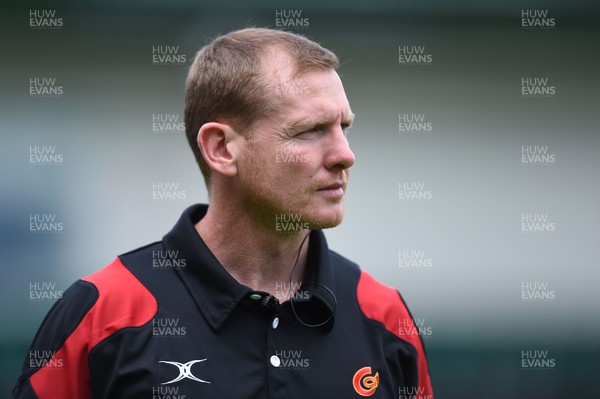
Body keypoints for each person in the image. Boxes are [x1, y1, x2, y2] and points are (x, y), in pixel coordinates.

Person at [14, 27, 433, 398]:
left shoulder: (384, 315)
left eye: (344, 127)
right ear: (221, 148)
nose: (345, 155)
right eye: (310, 131)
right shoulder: (104, 315)